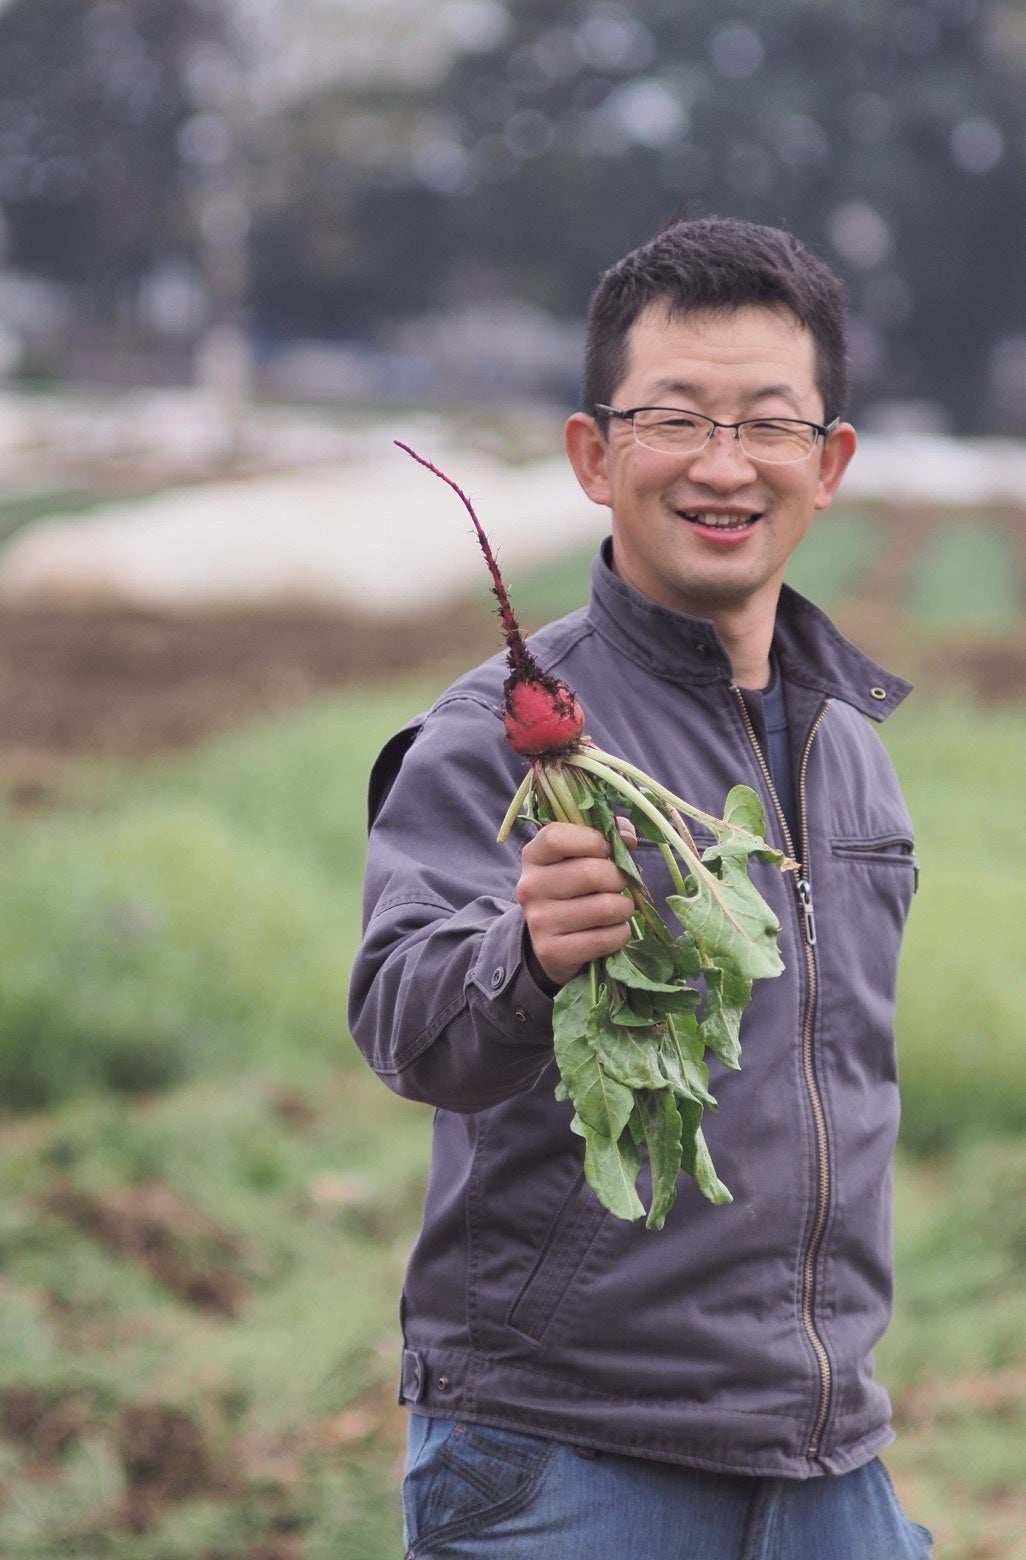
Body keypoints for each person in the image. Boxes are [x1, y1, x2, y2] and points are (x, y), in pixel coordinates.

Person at [348, 216, 930, 1559]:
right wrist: (525, 954)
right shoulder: (497, 732)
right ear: (593, 456)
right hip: (569, 1454)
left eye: (767, 423)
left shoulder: (848, 742)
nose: (722, 465)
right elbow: (401, 1020)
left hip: (824, 1452)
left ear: (827, 462)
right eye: (675, 418)